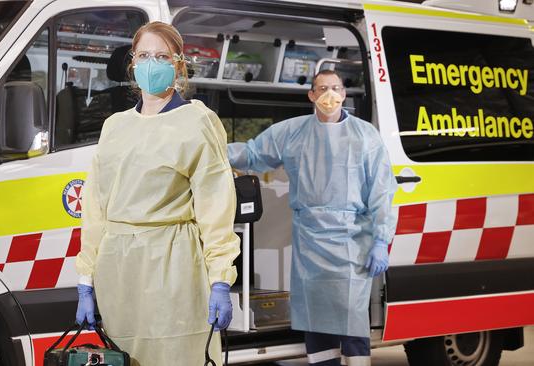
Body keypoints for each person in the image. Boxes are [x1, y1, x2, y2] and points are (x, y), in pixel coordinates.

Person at [74, 21, 240, 366]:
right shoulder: (115, 126)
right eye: (145, 55)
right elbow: (96, 207)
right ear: (132, 63)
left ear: (179, 64)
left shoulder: (197, 122)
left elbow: (215, 205)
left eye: (162, 56)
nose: (152, 63)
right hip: (118, 272)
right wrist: (86, 279)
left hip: (173, 266)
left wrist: (220, 280)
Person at [228, 70, 397, 366]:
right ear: (311, 95)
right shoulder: (293, 132)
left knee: (352, 320)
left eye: (335, 88)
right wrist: (209, 149)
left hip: (352, 241)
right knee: (316, 322)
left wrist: (381, 239)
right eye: (322, 89)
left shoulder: (365, 135)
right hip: (310, 242)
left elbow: (381, 191)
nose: (329, 95)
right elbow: (253, 153)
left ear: (344, 94)